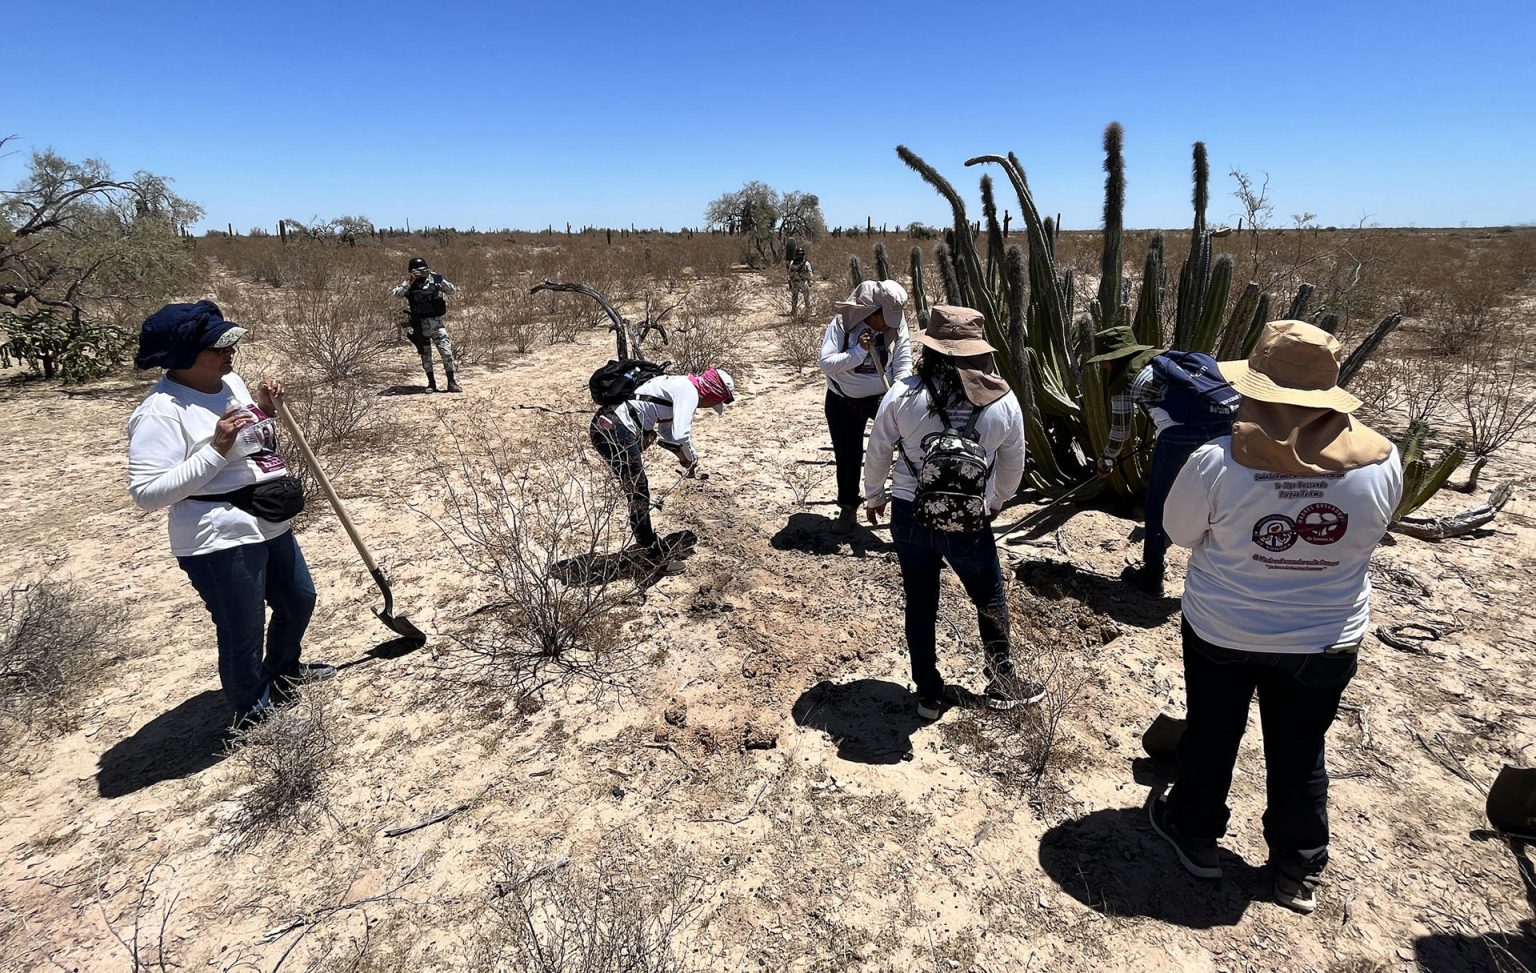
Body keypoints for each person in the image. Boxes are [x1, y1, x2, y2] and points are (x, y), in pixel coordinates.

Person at [1149, 320, 1403, 915]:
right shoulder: (1382, 460)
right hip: (1326, 636)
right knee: (1300, 745)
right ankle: (1298, 863)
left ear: (1257, 389)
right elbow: (1375, 532)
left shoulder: (1218, 460)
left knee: (1213, 732)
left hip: (1223, 628)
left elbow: (1179, 533)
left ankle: (1196, 834)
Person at [127, 301, 334, 726]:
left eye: (228, 343)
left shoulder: (231, 383)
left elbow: (253, 441)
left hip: (266, 516)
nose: (229, 351)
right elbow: (147, 493)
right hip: (216, 533)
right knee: (242, 627)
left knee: (299, 598)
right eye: (216, 347)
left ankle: (283, 672)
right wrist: (216, 449)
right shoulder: (161, 412)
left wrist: (266, 409)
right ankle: (252, 709)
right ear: (183, 357)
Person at [863, 305, 1042, 719]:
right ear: (979, 351)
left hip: (910, 513)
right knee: (988, 595)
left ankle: (927, 692)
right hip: (970, 519)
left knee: (921, 601)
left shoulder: (903, 392)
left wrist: (874, 496)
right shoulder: (1004, 400)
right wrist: (996, 501)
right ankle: (1001, 680)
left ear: (931, 348)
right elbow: (1014, 463)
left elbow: (879, 450)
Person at [1089, 328, 1240, 596]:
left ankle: (1152, 575)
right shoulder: (1168, 361)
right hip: (1226, 429)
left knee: (1158, 504)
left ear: (1112, 359)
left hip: (1180, 439)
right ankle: (1225, 577)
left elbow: (1120, 432)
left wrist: (1107, 460)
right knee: (1218, 502)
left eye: (1103, 360)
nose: (1102, 366)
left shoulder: (1124, 381)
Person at [590, 365, 734, 559]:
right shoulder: (689, 391)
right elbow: (680, 434)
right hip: (616, 430)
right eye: (714, 403)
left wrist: (684, 458)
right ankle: (649, 551)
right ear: (713, 395)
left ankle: (645, 544)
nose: (708, 407)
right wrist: (691, 458)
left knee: (636, 488)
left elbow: (667, 433)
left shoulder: (678, 384)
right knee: (638, 491)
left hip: (608, 426)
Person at [820, 279, 913, 532]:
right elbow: (826, 363)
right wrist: (859, 352)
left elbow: (903, 363)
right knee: (848, 453)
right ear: (869, 312)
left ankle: (907, 507)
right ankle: (849, 506)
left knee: (906, 446)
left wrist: (900, 402)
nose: (887, 325)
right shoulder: (842, 324)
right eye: (883, 318)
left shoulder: (896, 324)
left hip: (883, 397)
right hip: (842, 397)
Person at [391, 256, 461, 392]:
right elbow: (397, 295)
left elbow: (452, 290)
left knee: (447, 353)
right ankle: (431, 384)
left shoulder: (435, 280)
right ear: (411, 271)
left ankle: (451, 382)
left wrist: (438, 277)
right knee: (426, 356)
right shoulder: (409, 284)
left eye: (423, 270)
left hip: (437, 324)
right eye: (416, 271)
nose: (420, 273)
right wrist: (409, 282)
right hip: (419, 325)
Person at [788, 250, 813, 317]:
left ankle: (807, 310)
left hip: (801, 281)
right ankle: (794, 310)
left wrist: (810, 280)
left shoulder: (805, 263)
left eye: (801, 254)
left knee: (805, 297)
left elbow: (809, 272)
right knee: (795, 297)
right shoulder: (793, 262)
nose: (800, 256)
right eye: (799, 254)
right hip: (796, 281)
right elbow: (790, 272)